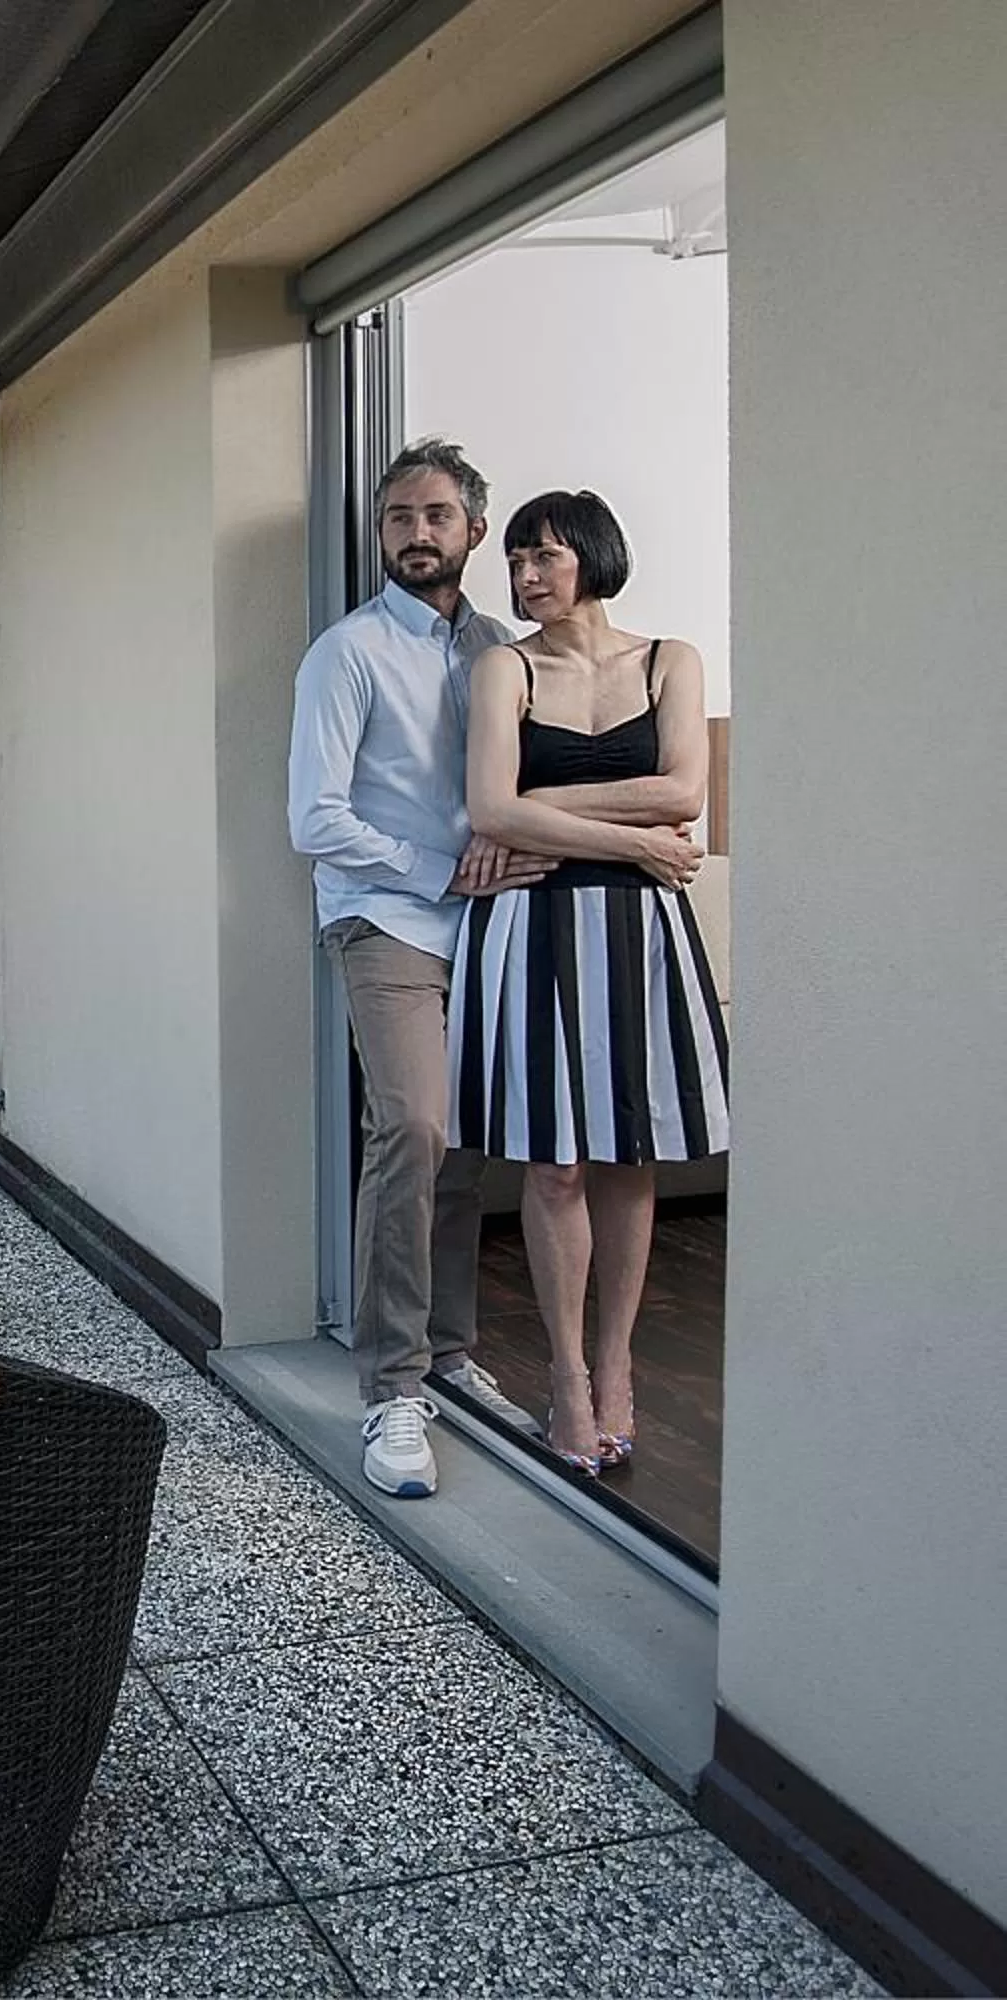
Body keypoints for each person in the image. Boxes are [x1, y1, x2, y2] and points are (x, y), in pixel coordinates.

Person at [289, 438, 552, 1500]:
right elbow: (315, 816)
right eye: (398, 518)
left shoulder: (502, 649)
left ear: (473, 531)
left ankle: (450, 1352)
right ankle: (392, 1387)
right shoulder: (346, 653)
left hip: (491, 926)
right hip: (388, 919)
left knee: (467, 1144)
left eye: (436, 515)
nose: (415, 534)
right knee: (412, 1128)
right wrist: (440, 868)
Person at [450, 489, 728, 1475]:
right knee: (555, 1160)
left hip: (641, 928)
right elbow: (486, 803)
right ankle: (564, 1376)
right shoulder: (503, 666)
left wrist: (533, 802)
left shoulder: (670, 661)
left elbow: (686, 790)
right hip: (532, 924)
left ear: (596, 558)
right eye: (517, 557)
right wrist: (627, 835)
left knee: (629, 1152)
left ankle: (616, 1364)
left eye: (546, 556)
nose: (526, 574)